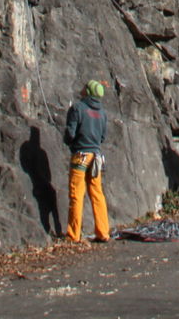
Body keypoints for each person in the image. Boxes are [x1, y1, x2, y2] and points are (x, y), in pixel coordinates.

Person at [63, 80, 110, 242]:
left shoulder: (78, 108)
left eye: (85, 88)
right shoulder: (102, 113)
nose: (82, 89)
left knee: (76, 194)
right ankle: (103, 232)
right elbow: (103, 136)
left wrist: (69, 140)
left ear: (88, 92)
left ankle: (73, 235)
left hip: (80, 155)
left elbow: (70, 133)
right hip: (96, 156)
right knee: (97, 193)